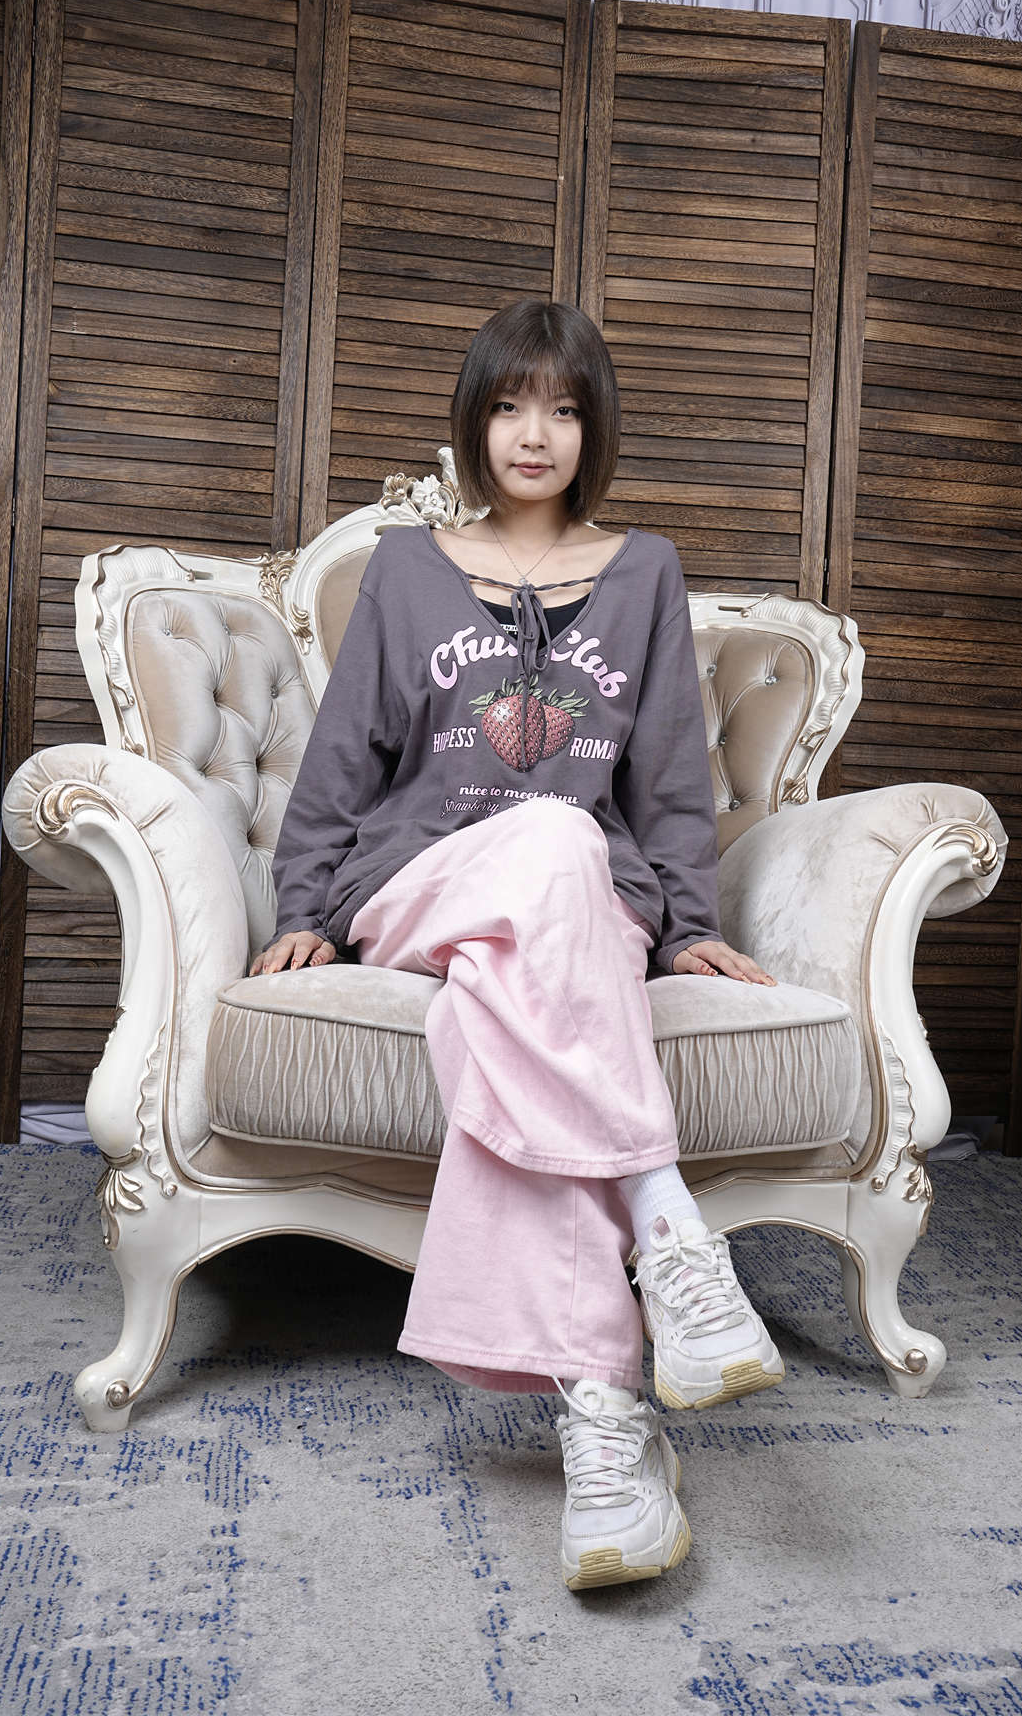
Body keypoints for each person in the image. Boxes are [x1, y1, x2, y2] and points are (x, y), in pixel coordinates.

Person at [250, 299, 784, 1592]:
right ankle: (668, 1228)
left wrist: (687, 931)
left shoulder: (645, 571)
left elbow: (668, 779)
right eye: (507, 405)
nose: (533, 434)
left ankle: (607, 1427)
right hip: (420, 880)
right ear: (474, 422)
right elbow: (341, 762)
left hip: (579, 903)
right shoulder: (407, 568)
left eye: (561, 408)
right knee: (548, 833)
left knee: (497, 988)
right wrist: (305, 913)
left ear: (594, 429)